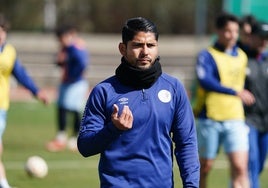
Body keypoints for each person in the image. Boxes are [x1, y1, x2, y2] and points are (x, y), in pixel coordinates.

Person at [77, 17, 200, 187]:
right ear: (122, 48)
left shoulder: (174, 88)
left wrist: (191, 185)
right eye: (137, 45)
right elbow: (85, 146)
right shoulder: (104, 91)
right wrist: (113, 129)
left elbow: (186, 143)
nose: (145, 52)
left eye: (150, 45)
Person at [194, 12, 255, 188]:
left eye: (236, 31)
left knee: (240, 167)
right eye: (228, 31)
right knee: (204, 168)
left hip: (235, 118)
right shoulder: (206, 55)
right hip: (210, 118)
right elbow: (205, 81)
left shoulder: (242, 56)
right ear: (218, 31)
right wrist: (234, 91)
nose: (232, 35)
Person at [0, 14, 49, 188]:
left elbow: (21, 75)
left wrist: (37, 92)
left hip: (1, 107)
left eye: (3, 31)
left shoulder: (9, 52)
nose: (0, 35)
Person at [46, 24, 90, 152]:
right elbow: (61, 62)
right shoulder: (65, 48)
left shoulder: (75, 47)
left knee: (74, 109)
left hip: (76, 83)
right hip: (66, 82)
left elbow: (82, 63)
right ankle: (61, 136)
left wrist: (73, 76)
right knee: (61, 107)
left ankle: (74, 138)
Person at [242, 21, 268, 188]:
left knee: (258, 166)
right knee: (251, 163)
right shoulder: (242, 58)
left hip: (266, 122)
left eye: (266, 38)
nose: (264, 41)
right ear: (252, 38)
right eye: (261, 37)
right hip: (247, 120)